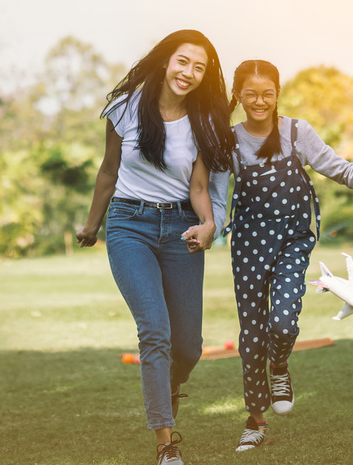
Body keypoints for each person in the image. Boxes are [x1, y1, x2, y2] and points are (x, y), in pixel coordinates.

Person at [76, 30, 235, 465]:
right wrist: (92, 225)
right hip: (130, 225)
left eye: (199, 67)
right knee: (155, 331)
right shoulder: (125, 110)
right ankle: (167, 446)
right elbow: (109, 171)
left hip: (180, 229)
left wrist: (208, 225)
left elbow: (199, 186)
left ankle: (169, 386)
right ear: (167, 61)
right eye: (183, 61)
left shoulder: (203, 122)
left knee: (187, 347)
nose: (189, 72)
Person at [224, 59, 353, 452]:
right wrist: (209, 225)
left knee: (282, 324)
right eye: (250, 95)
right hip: (248, 245)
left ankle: (279, 366)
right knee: (252, 334)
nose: (259, 101)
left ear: (278, 94)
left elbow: (337, 168)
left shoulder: (297, 132)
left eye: (267, 93)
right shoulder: (228, 141)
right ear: (238, 96)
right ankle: (255, 418)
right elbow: (217, 196)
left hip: (292, 242)